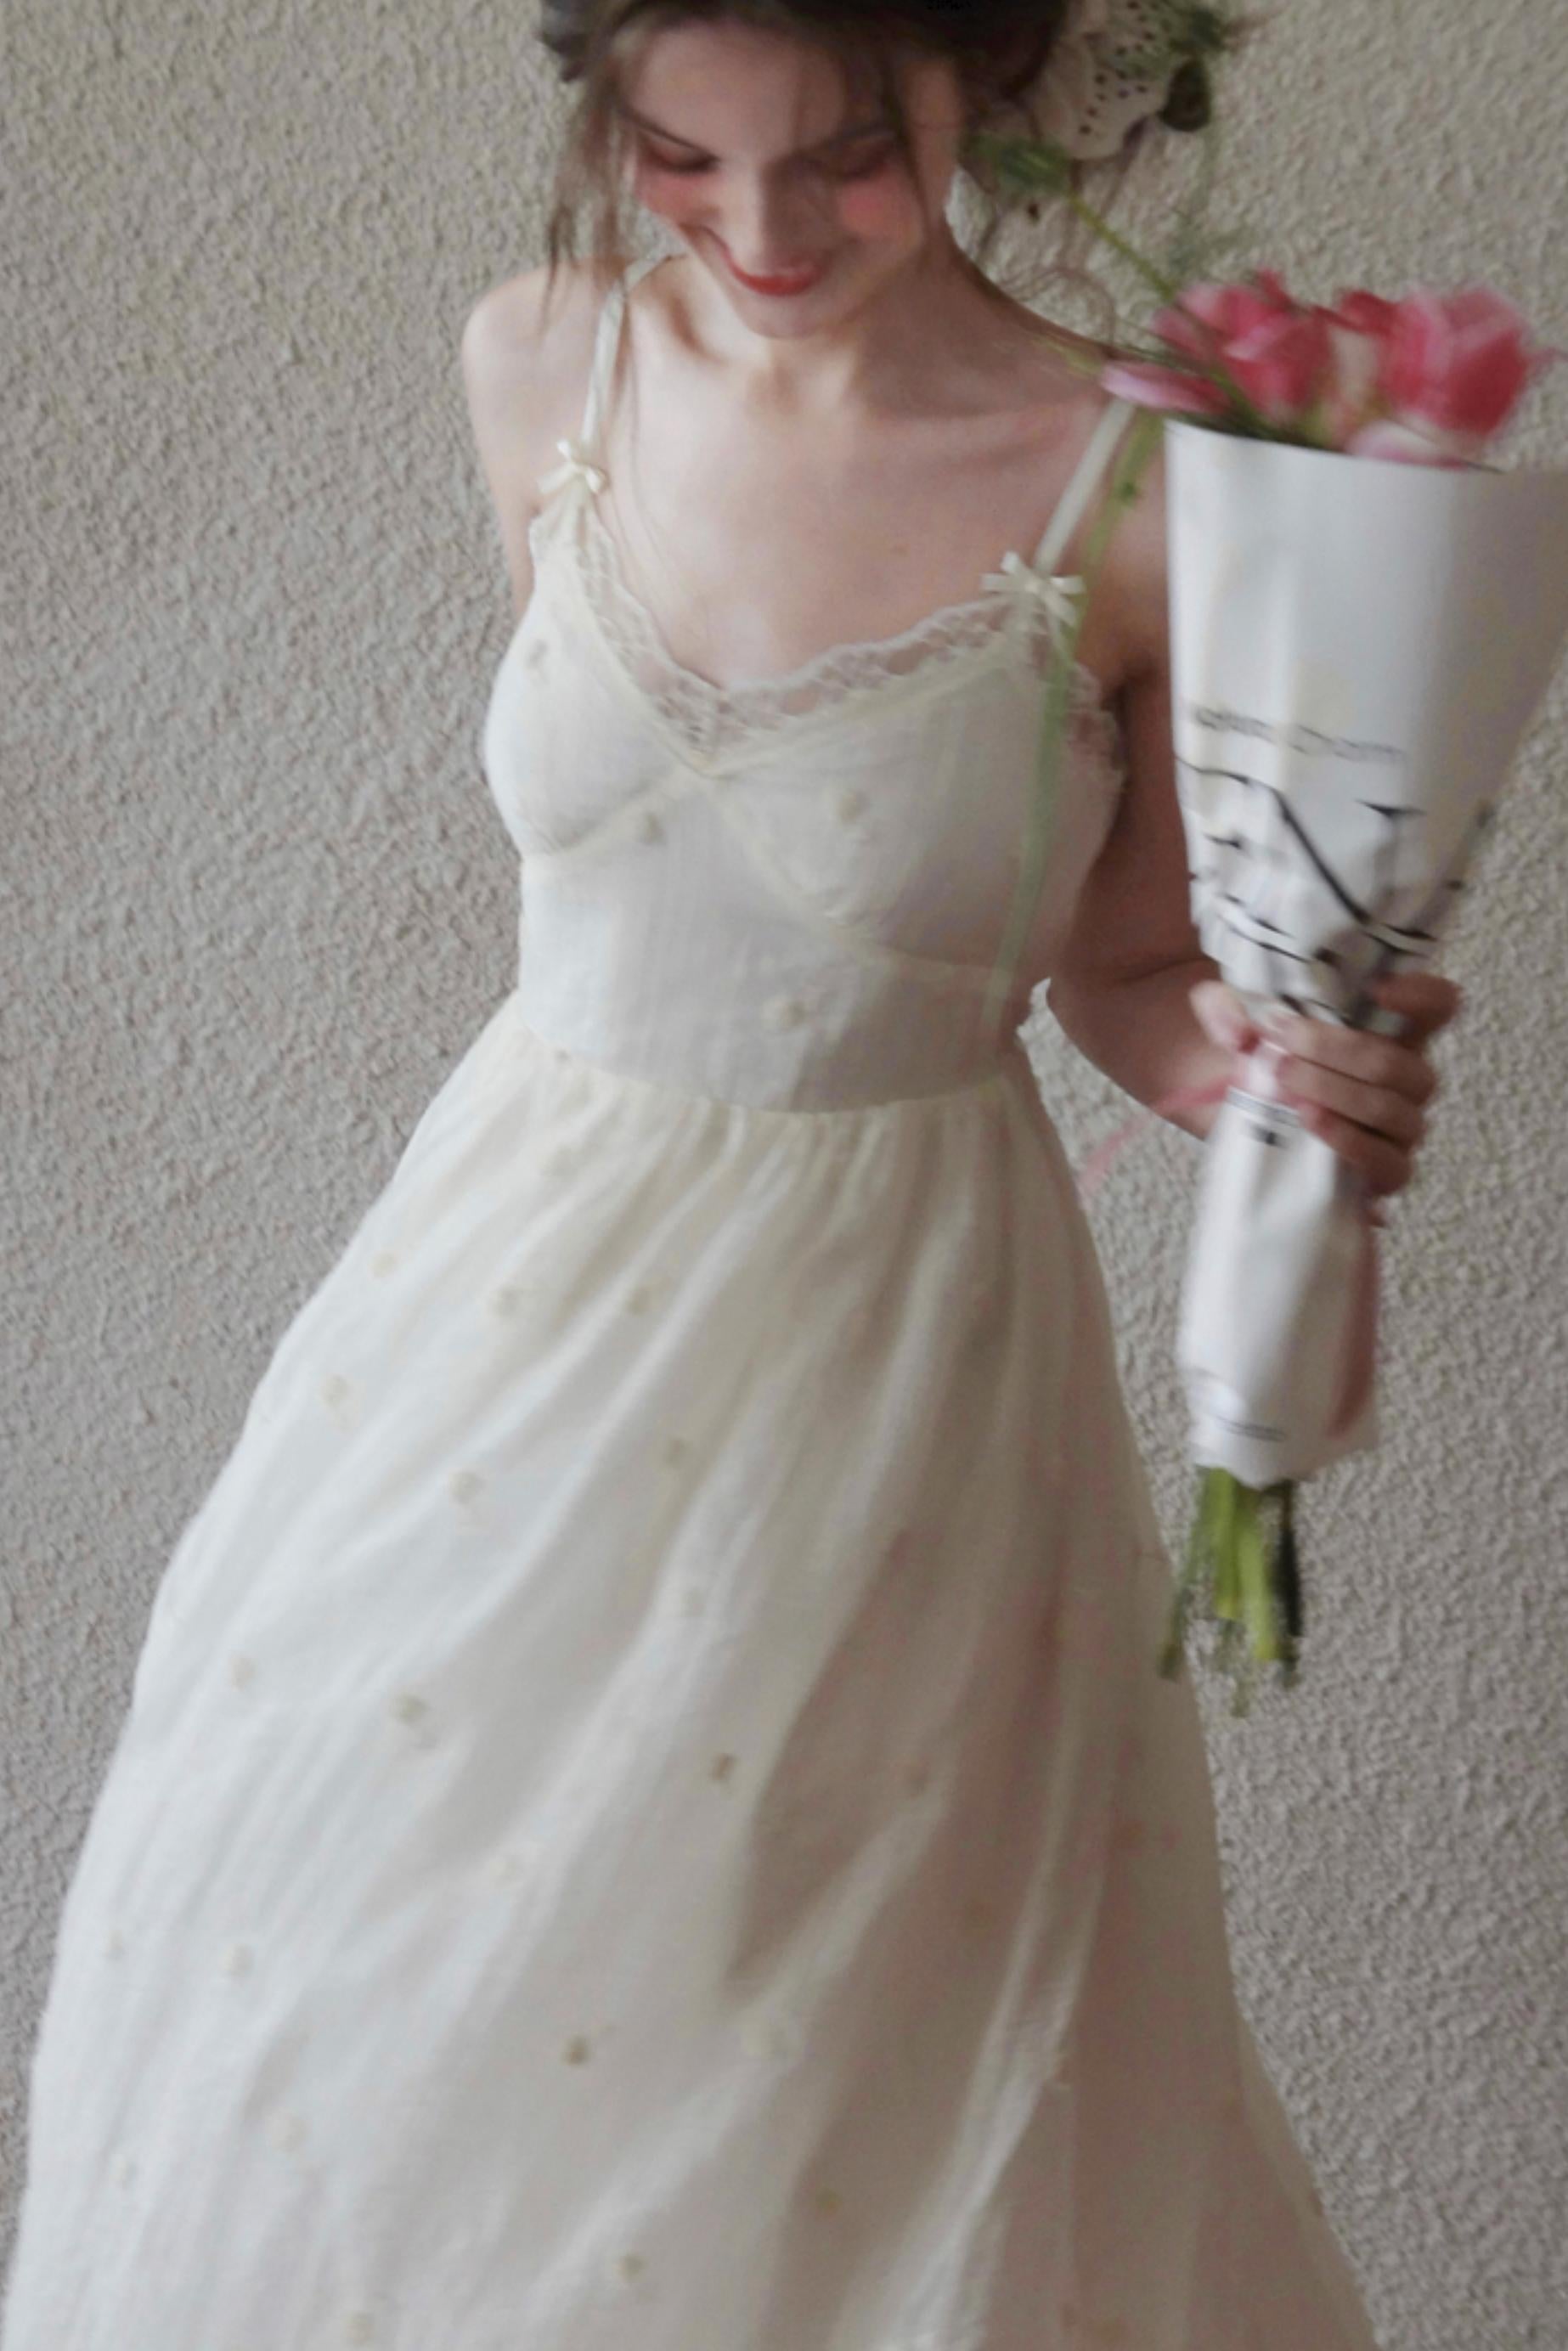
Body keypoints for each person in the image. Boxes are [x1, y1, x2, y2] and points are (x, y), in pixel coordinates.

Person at [2, 5, 1457, 2347]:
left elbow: (1123, 971)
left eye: (846, 153)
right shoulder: (538, 363)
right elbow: (634, 845)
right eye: (683, 155)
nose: (762, 231)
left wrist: (1294, 1077)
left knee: (819, 2075)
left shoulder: (1145, 484)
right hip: (483, 1335)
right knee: (377, 2004)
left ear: (985, 80)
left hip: (884, 1371)